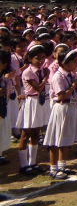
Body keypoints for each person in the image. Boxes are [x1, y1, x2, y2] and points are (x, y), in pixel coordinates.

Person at [43, 48, 77, 179]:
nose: (76, 64)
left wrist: (75, 85)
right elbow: (61, 95)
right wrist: (74, 86)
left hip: (71, 106)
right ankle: (53, 168)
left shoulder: (71, 74)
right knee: (57, 138)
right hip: (62, 107)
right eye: (73, 61)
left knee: (65, 138)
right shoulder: (57, 77)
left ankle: (62, 166)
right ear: (64, 62)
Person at [16, 45, 48, 176]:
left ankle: (32, 162)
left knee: (36, 133)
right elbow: (38, 88)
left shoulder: (40, 70)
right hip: (31, 102)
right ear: (29, 58)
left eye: (42, 58)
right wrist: (46, 77)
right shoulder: (28, 72)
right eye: (37, 58)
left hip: (39, 102)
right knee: (26, 133)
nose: (40, 61)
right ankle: (23, 165)